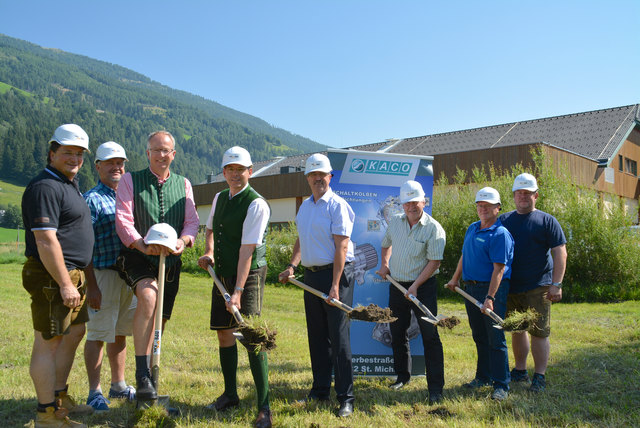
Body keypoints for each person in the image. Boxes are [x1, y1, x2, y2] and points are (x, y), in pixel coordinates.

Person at [115, 131, 199, 401]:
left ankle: (152, 379)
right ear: (147, 153)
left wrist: (184, 241)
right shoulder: (130, 180)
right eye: (156, 150)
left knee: (159, 320)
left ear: (173, 154)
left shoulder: (184, 184)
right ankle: (141, 375)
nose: (162, 155)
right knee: (149, 298)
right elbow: (123, 219)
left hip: (171, 260)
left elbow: (192, 222)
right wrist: (140, 244)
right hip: (138, 255)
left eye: (167, 150)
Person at [22, 124, 95, 427]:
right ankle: (46, 414)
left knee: (73, 334)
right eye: (67, 152)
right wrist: (65, 283)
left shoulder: (68, 183)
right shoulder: (46, 187)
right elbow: (45, 239)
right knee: (48, 341)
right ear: (52, 153)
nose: (74, 158)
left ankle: (59, 398)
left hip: (71, 275)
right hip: (54, 277)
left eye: (79, 154)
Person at [197, 146, 272, 428]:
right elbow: (210, 229)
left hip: (248, 274)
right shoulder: (219, 197)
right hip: (223, 270)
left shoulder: (256, 204)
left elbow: (247, 251)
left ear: (250, 172)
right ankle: (230, 395)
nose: (235, 174)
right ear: (224, 172)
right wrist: (210, 252)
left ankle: (264, 406)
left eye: (240, 170)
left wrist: (238, 292)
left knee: (252, 337)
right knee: (224, 334)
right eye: (230, 169)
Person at [278, 153, 356, 418]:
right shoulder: (306, 207)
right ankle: (321, 390)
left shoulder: (337, 205)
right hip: (311, 276)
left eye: (322, 175)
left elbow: (342, 246)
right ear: (308, 178)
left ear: (330, 177)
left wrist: (335, 285)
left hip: (337, 275)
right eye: (313, 175)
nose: (317, 179)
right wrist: (292, 266)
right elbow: (301, 239)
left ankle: (346, 398)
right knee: (317, 336)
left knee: (339, 337)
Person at [376, 180, 446, 404]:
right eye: (406, 203)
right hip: (397, 285)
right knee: (397, 331)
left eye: (415, 202)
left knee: (430, 335)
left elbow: (434, 262)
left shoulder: (434, 228)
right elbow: (386, 244)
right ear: (402, 205)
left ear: (423, 202)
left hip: (423, 287)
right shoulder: (395, 222)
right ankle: (402, 377)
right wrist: (385, 264)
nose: (410, 207)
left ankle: (435, 387)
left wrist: (415, 285)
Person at [499, 173, 567, 392]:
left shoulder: (547, 221)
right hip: (511, 286)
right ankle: (520, 371)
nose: (523, 197)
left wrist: (556, 284)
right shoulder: (504, 220)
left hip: (540, 286)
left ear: (536, 195)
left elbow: (560, 253)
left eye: (527, 193)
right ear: (513, 196)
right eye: (519, 193)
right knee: (517, 329)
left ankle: (539, 376)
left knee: (538, 332)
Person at [446, 187, 514, 401]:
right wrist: (455, 278)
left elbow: (499, 269)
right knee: (479, 336)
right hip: (470, 288)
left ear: (498, 208)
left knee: (495, 337)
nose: (482, 209)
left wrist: (490, 298)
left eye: (487, 205)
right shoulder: (472, 228)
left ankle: (501, 384)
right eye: (479, 205)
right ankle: (483, 377)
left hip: (491, 290)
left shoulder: (500, 234)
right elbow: (464, 255)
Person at [83, 142, 137, 411]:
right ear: (98, 166)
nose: (117, 167)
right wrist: (91, 285)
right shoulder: (91, 199)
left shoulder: (128, 197)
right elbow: (83, 247)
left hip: (128, 277)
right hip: (102, 275)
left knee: (120, 333)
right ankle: (95, 392)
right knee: (98, 333)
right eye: (110, 163)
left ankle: (118, 385)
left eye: (121, 163)